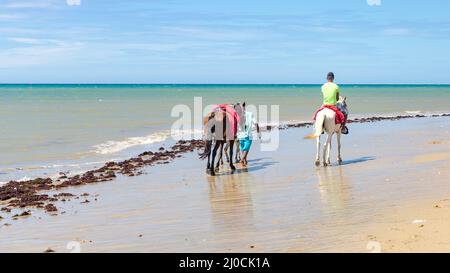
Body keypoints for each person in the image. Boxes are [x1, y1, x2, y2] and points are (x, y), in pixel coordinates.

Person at [237, 103, 260, 167]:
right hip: (247, 135)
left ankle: (244, 160)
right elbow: (255, 123)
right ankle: (242, 160)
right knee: (246, 149)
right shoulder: (250, 114)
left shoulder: (237, 115)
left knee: (243, 149)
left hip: (240, 135)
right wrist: (258, 130)